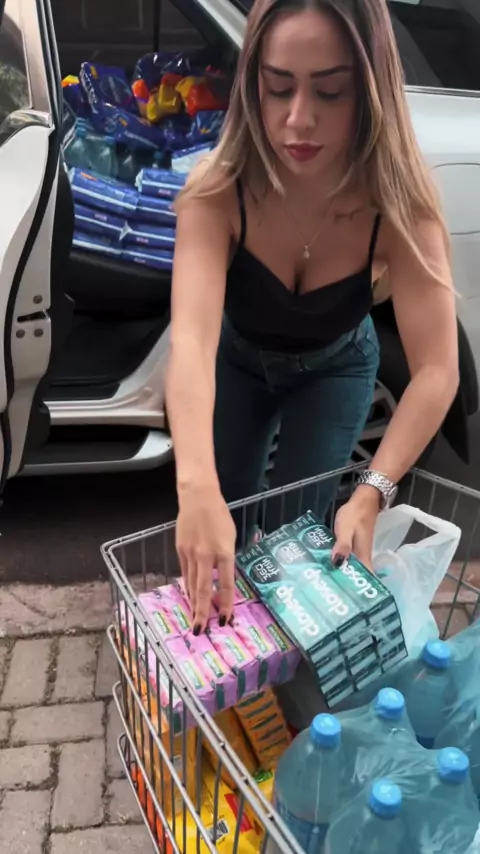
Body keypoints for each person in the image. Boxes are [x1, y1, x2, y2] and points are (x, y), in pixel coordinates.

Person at [166, 0, 459, 633]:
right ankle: (219, 650)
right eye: (278, 89)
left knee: (296, 536)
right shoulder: (218, 190)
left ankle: (282, 658)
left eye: (330, 92)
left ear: (372, 93)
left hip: (335, 367)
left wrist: (372, 491)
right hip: (236, 363)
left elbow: (438, 370)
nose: (298, 119)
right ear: (253, 85)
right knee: (222, 511)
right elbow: (189, 341)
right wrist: (195, 488)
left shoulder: (401, 207)